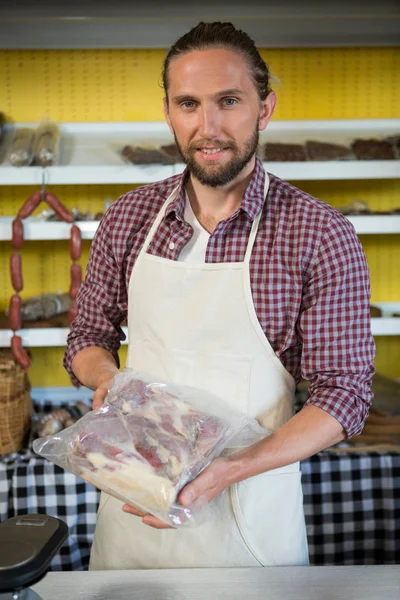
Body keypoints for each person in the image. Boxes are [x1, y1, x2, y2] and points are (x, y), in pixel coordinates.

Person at [63, 21, 375, 570]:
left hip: (250, 520)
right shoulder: (128, 217)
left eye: (228, 101)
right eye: (188, 103)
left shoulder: (319, 233)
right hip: (136, 514)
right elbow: (88, 340)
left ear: (265, 108)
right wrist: (112, 382)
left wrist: (227, 469)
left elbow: (343, 396)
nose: (208, 126)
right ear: (168, 112)